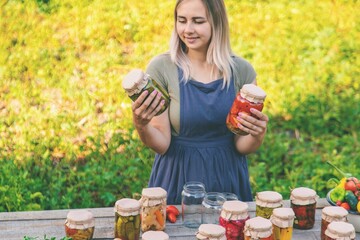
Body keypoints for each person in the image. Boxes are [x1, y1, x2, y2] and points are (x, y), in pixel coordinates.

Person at [131, 0, 269, 204]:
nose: (188, 29)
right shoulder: (162, 68)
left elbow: (241, 145)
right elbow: (162, 143)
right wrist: (141, 125)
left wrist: (257, 135)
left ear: (217, 23)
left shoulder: (241, 71)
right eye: (182, 20)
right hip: (177, 178)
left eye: (198, 21)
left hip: (227, 179)